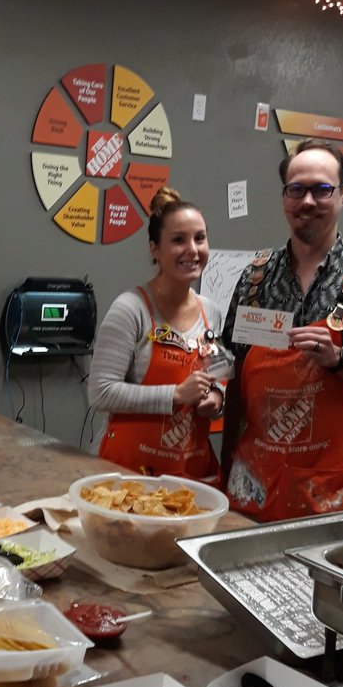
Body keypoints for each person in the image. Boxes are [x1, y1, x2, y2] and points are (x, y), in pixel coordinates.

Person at [221, 138, 343, 521]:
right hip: (252, 494)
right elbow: (235, 378)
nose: (307, 201)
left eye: (321, 189)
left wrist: (339, 360)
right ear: (284, 197)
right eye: (296, 189)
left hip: (335, 501)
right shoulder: (254, 280)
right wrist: (226, 463)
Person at [89, 186, 233, 482]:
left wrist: (217, 398)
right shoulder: (130, 309)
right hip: (127, 474)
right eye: (178, 240)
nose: (192, 250)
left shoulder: (211, 312)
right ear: (154, 248)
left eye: (200, 238)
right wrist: (177, 394)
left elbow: (220, 373)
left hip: (189, 473)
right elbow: (100, 392)